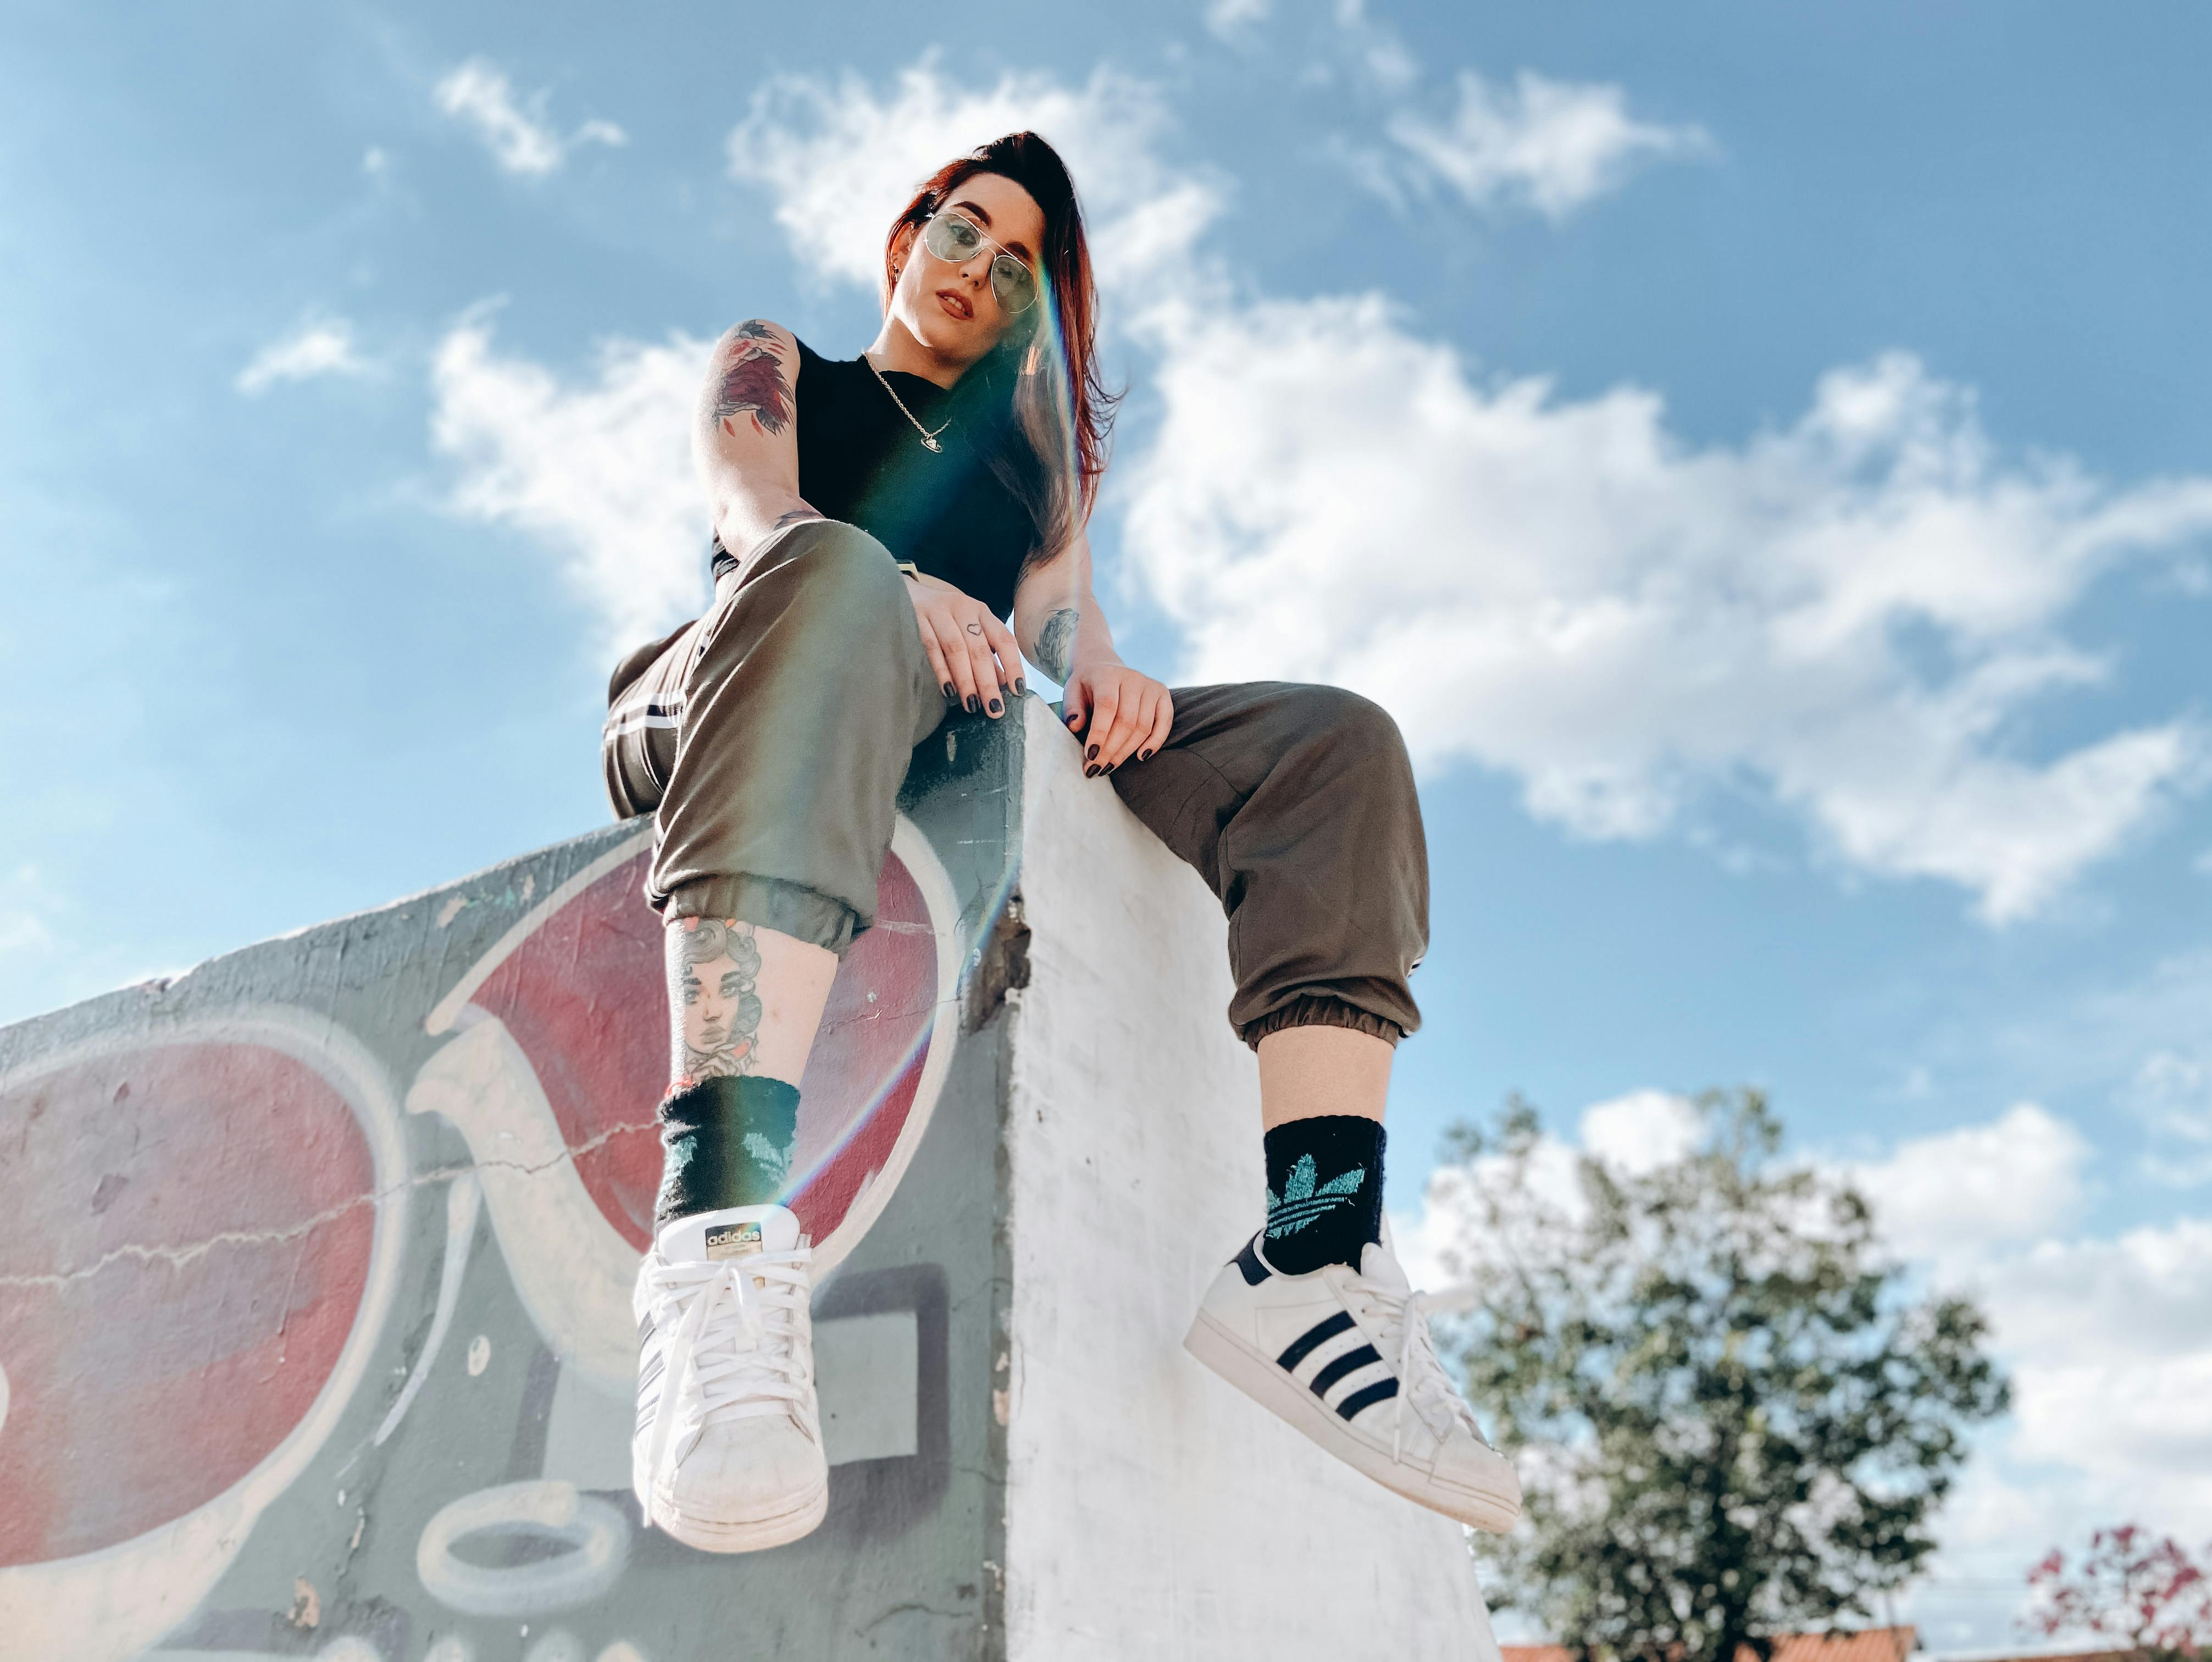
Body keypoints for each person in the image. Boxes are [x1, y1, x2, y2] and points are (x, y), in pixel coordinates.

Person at [602, 131, 1520, 1554]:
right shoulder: (781, 363)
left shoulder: (1034, 473)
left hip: (933, 707)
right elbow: (758, 516)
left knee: (1332, 746)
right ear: (906, 239)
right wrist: (890, 578)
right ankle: (717, 1238)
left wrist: (1112, 678)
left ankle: (1313, 1251)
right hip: (740, 671)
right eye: (960, 230)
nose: (978, 268)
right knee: (825, 570)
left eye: (1018, 264)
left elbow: (1059, 635)